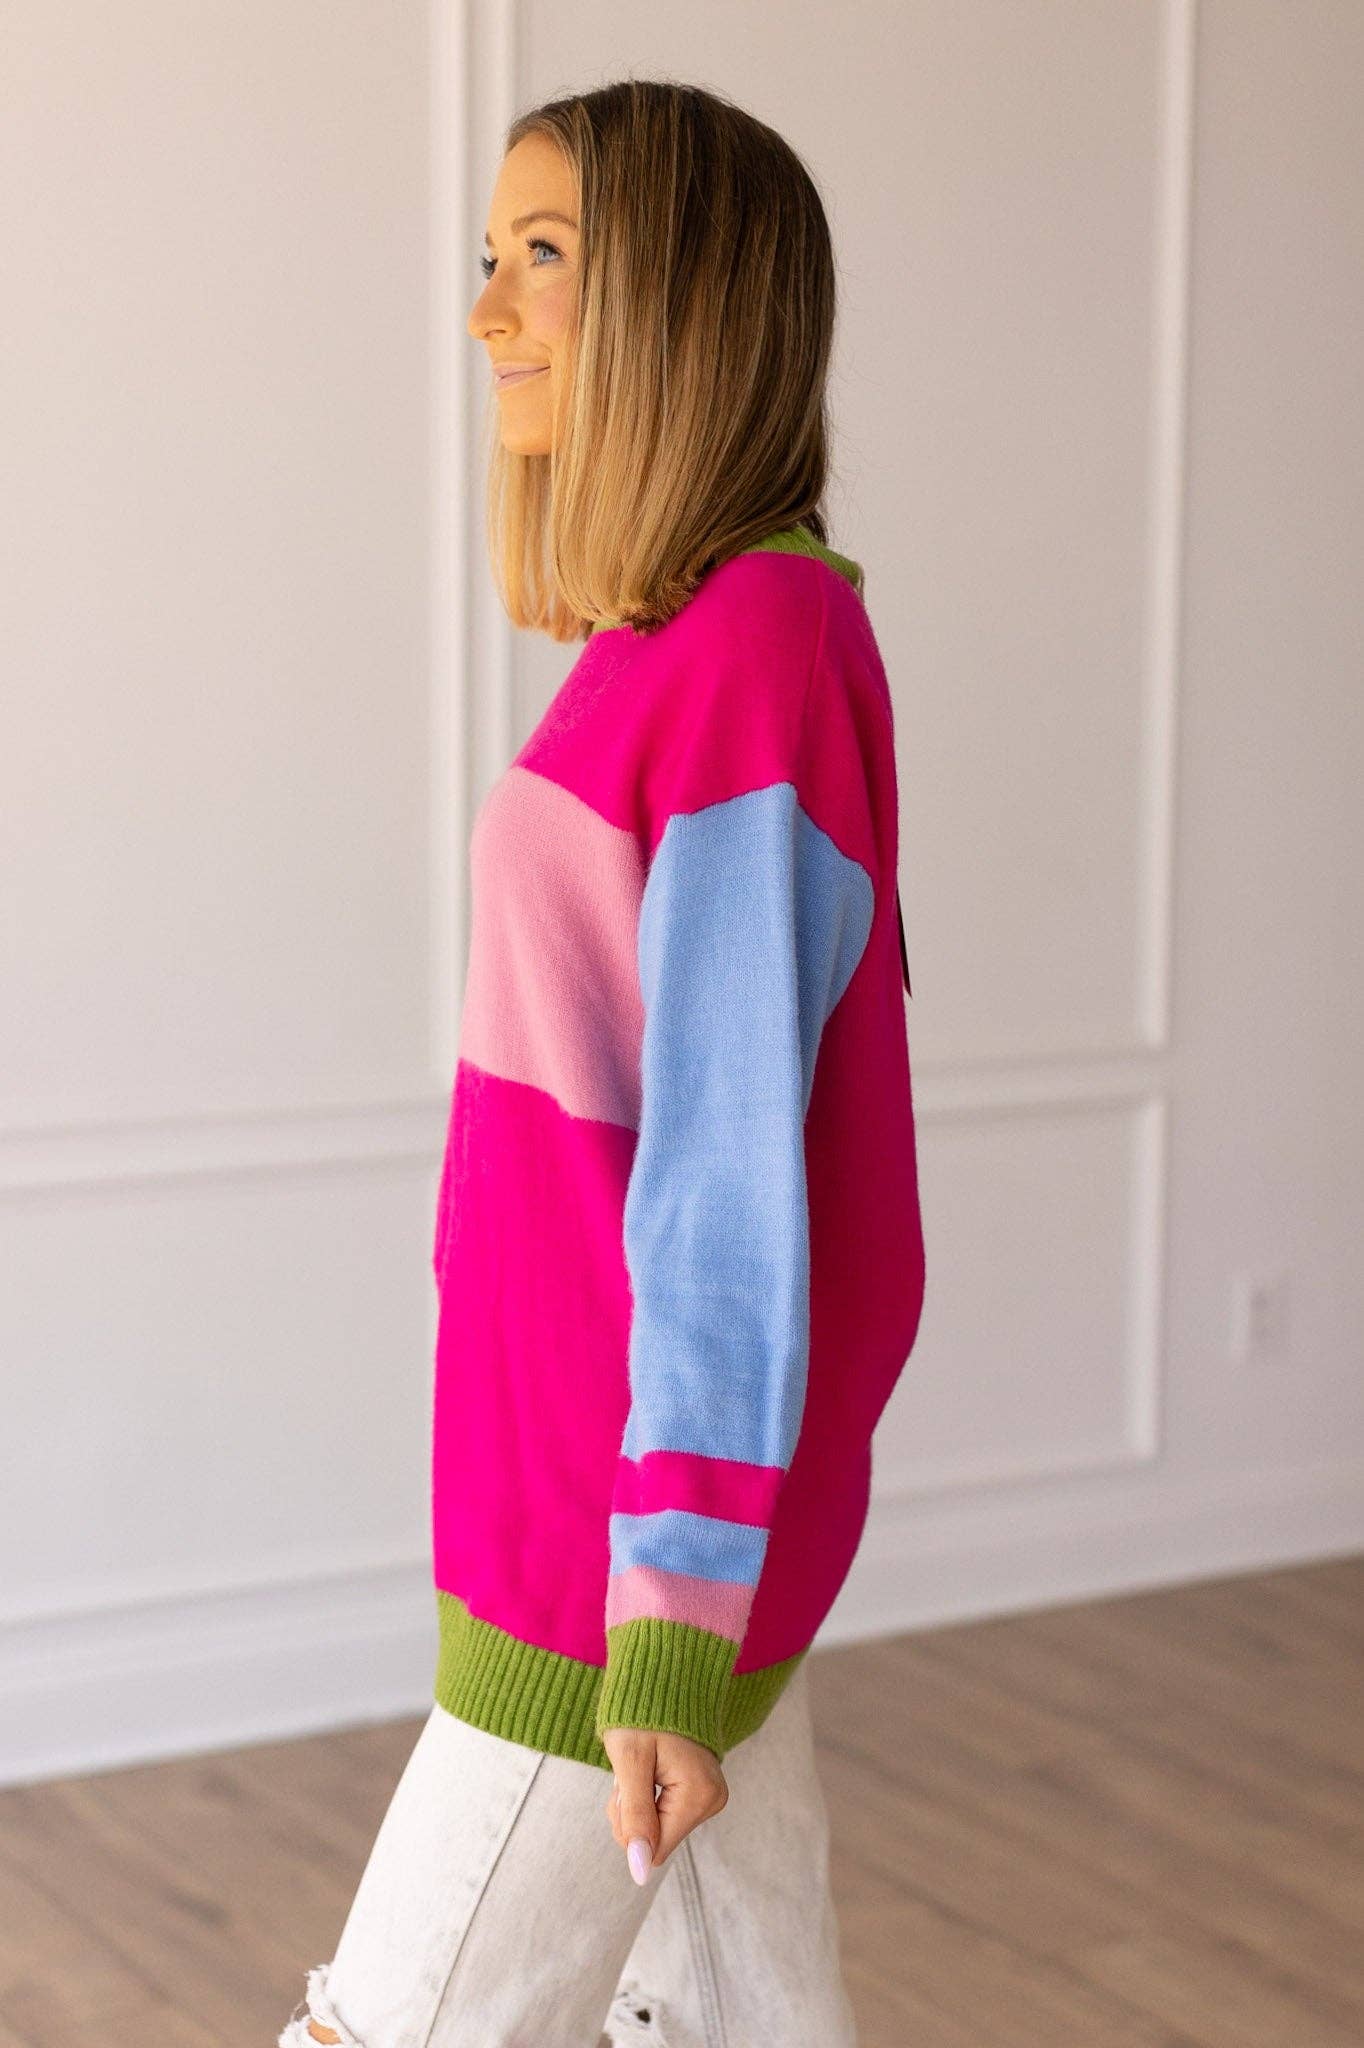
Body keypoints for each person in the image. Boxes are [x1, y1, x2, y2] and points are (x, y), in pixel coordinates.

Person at [278, 75, 925, 2048]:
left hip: (607, 1540)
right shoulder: (681, 641)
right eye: (489, 257)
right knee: (738, 2016)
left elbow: (731, 1177)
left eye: (542, 257)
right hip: (608, 1506)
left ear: (682, 297)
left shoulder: (756, 651)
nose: (487, 310)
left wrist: (663, 1601)